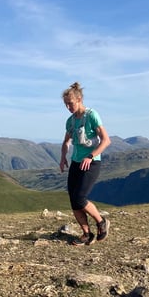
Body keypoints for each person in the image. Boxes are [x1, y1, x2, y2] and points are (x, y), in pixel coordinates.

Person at [59, 82, 111, 245]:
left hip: (92, 162)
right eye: (66, 104)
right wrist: (63, 157)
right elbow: (66, 142)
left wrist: (91, 155)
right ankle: (87, 234)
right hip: (76, 162)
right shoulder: (70, 121)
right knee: (74, 200)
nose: (68, 107)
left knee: (80, 197)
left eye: (71, 103)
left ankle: (101, 222)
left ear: (79, 99)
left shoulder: (91, 115)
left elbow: (106, 140)